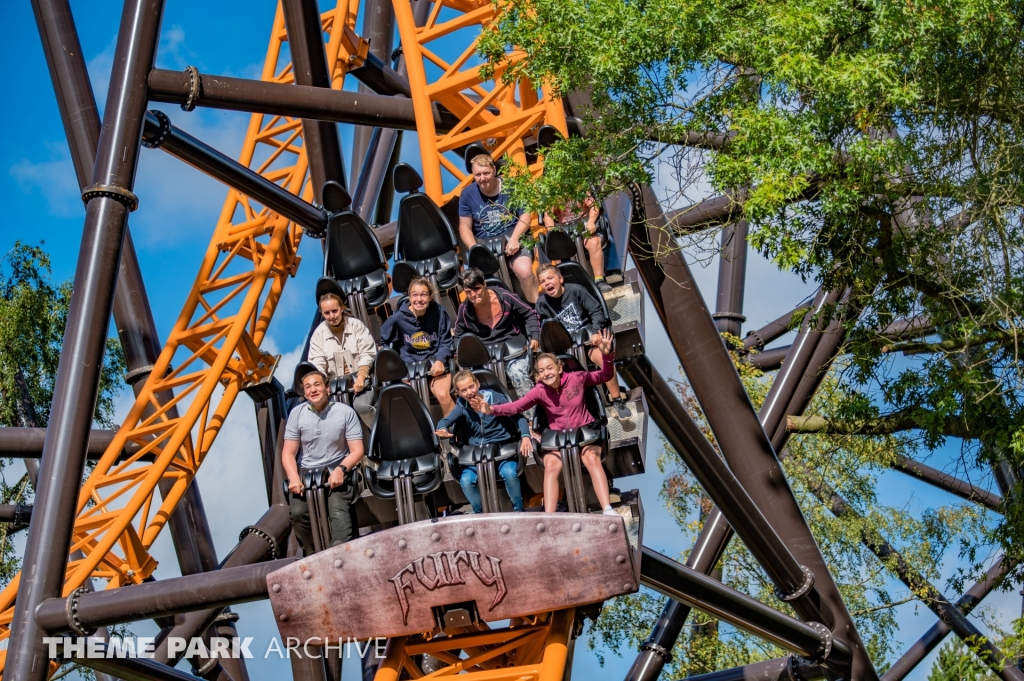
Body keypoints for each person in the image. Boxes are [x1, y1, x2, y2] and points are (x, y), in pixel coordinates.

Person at [471, 328, 618, 515]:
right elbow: (517, 406)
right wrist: (491, 409)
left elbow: (604, 376)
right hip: (557, 436)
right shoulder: (540, 390)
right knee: (551, 465)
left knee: (590, 457)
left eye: (550, 368)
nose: (546, 373)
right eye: (541, 371)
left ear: (559, 367)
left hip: (585, 430)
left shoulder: (577, 378)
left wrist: (607, 356)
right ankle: (550, 517)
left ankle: (607, 508)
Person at [282, 367, 365, 552]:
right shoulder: (297, 414)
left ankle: (339, 552)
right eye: (308, 387)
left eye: (317, 385)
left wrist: (341, 469)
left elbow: (357, 450)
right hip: (307, 472)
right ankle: (311, 554)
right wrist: (294, 478)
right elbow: (288, 453)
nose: (313, 390)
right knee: (297, 514)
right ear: (304, 392)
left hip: (337, 469)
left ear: (327, 388)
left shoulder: (345, 412)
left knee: (337, 511)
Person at [535, 264, 631, 419]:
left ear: (560, 279)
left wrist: (595, 332)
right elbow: (545, 329)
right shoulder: (542, 303)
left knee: (602, 358)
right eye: (543, 281)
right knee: (549, 372)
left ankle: (616, 398)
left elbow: (596, 311)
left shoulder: (576, 290)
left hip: (587, 342)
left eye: (550, 278)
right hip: (565, 348)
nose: (547, 283)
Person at [435, 371, 531, 512]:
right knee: (466, 481)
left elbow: (518, 418)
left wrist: (525, 435)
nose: (469, 392)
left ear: (478, 384)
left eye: (471, 387)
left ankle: (518, 509)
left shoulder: (496, 398)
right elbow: (445, 421)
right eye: (464, 390)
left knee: (509, 474)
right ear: (458, 393)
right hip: (477, 454)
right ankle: (479, 513)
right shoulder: (462, 405)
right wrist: (442, 428)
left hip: (500, 448)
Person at [459, 154, 539, 303]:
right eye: (478, 174)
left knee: (525, 272)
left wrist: (515, 238)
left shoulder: (511, 185)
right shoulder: (467, 194)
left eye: (486, 173)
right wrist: (475, 248)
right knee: (478, 284)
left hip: (513, 235)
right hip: (485, 243)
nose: (482, 178)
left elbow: (526, 215)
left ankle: (537, 311)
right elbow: (464, 227)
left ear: (494, 170)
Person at [454, 267, 540, 400]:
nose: (473, 295)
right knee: (477, 384)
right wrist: (459, 354)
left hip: (513, 346)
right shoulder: (465, 310)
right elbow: (459, 335)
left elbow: (529, 313)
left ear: (484, 284)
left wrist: (535, 335)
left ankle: (531, 418)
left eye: (476, 289)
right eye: (468, 292)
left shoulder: (504, 297)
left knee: (519, 374)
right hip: (485, 353)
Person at [380, 276, 455, 415]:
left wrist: (440, 361)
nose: (419, 299)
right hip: (410, 369)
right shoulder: (397, 318)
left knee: (443, 394)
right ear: (409, 297)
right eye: (414, 295)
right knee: (409, 402)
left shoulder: (439, 312)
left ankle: (452, 432)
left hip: (434, 364)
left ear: (430, 297)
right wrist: (397, 370)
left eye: (423, 295)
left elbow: (446, 341)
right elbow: (385, 343)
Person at [307, 280, 377, 415]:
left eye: (334, 311)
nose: (332, 316)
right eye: (327, 313)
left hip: (361, 382)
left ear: (342, 308)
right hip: (335, 387)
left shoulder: (356, 325)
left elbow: (367, 353)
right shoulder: (318, 335)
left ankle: (378, 434)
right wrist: (324, 385)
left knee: (362, 407)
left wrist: (361, 377)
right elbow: (317, 364)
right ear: (322, 314)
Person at [543, 194, 611, 292]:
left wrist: (591, 222)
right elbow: (548, 215)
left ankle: (599, 280)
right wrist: (552, 230)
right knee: (558, 249)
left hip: (583, 225)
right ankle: (567, 285)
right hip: (564, 228)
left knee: (593, 242)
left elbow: (594, 206)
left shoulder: (578, 187)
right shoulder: (553, 193)